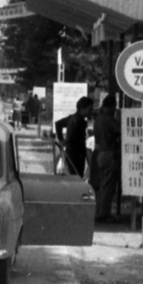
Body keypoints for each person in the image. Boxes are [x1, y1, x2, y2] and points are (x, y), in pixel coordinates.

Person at [91, 92, 121, 220]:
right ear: (111, 107)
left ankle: (99, 212)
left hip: (99, 153)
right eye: (114, 108)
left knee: (102, 185)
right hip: (109, 153)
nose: (114, 111)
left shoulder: (98, 120)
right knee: (108, 186)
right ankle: (104, 214)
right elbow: (120, 132)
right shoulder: (109, 120)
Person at [58, 94, 94, 176]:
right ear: (82, 109)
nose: (91, 112)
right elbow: (71, 137)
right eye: (90, 109)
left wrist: (61, 141)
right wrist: (65, 141)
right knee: (76, 177)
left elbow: (58, 124)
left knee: (72, 176)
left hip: (70, 153)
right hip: (76, 155)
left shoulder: (72, 117)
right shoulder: (79, 122)